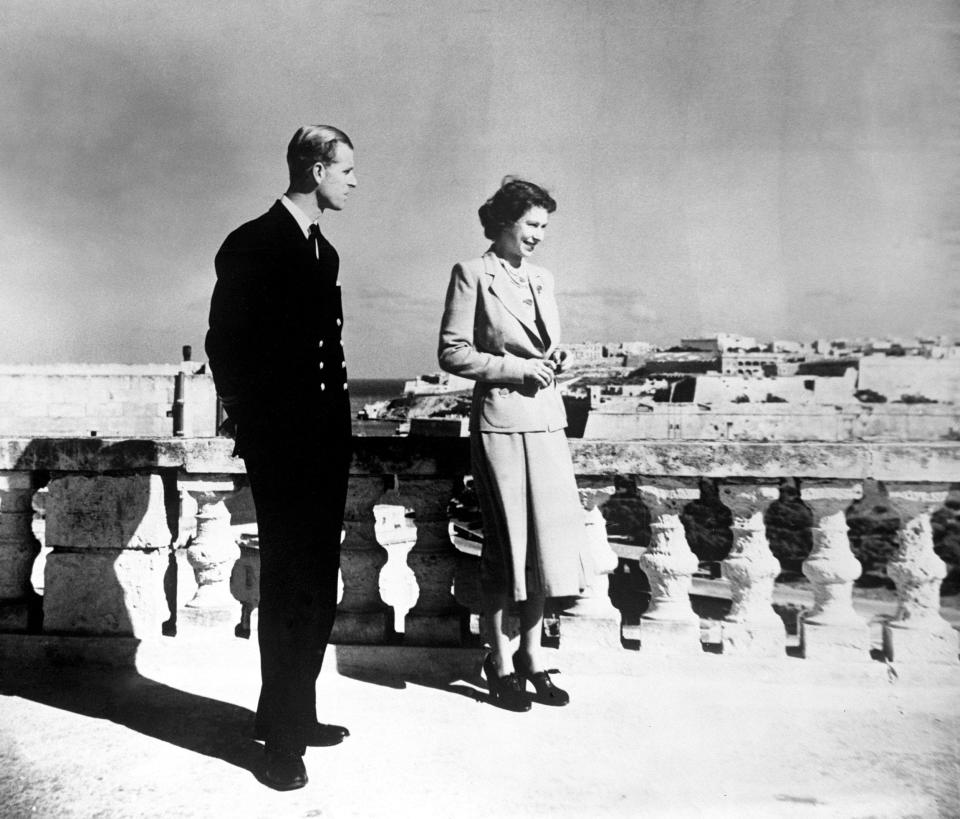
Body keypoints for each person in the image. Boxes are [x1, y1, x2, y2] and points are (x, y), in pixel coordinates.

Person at [205, 125, 357, 790]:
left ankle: (294, 708)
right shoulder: (254, 243)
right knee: (290, 585)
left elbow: (324, 354)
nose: (354, 181)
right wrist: (256, 424)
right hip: (283, 445)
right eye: (347, 169)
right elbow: (226, 346)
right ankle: (281, 742)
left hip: (324, 440)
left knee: (318, 583)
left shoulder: (323, 251)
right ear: (317, 168)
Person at [438, 177, 587, 712]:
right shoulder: (471, 274)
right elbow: (453, 353)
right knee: (505, 549)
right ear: (503, 222)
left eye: (545, 227)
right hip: (501, 422)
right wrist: (517, 369)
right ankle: (497, 659)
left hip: (547, 422)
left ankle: (532, 657)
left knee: (546, 546)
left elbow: (548, 343)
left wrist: (558, 360)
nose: (538, 236)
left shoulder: (543, 279)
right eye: (531, 225)